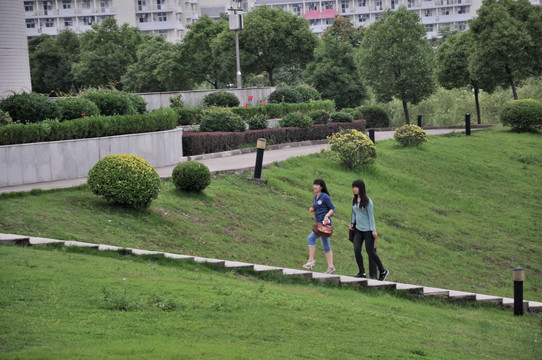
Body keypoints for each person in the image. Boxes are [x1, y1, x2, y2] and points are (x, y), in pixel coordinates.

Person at [349, 179, 389, 281]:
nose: (354, 189)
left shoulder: (368, 201)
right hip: (358, 230)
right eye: (353, 187)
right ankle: (362, 272)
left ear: (361, 188)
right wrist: (352, 223)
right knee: (357, 249)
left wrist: (373, 230)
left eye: (356, 187)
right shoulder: (353, 201)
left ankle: (383, 271)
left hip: (367, 230)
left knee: (370, 252)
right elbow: (354, 213)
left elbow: (371, 216)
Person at [303, 179, 336, 274]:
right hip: (319, 224)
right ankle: (331, 267)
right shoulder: (315, 197)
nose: (314, 186)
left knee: (310, 238)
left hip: (324, 224)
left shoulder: (325, 196)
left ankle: (311, 261)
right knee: (326, 246)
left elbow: (332, 208)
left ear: (321, 187)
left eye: (317, 185)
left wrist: (326, 216)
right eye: (314, 184)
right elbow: (319, 208)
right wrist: (313, 209)